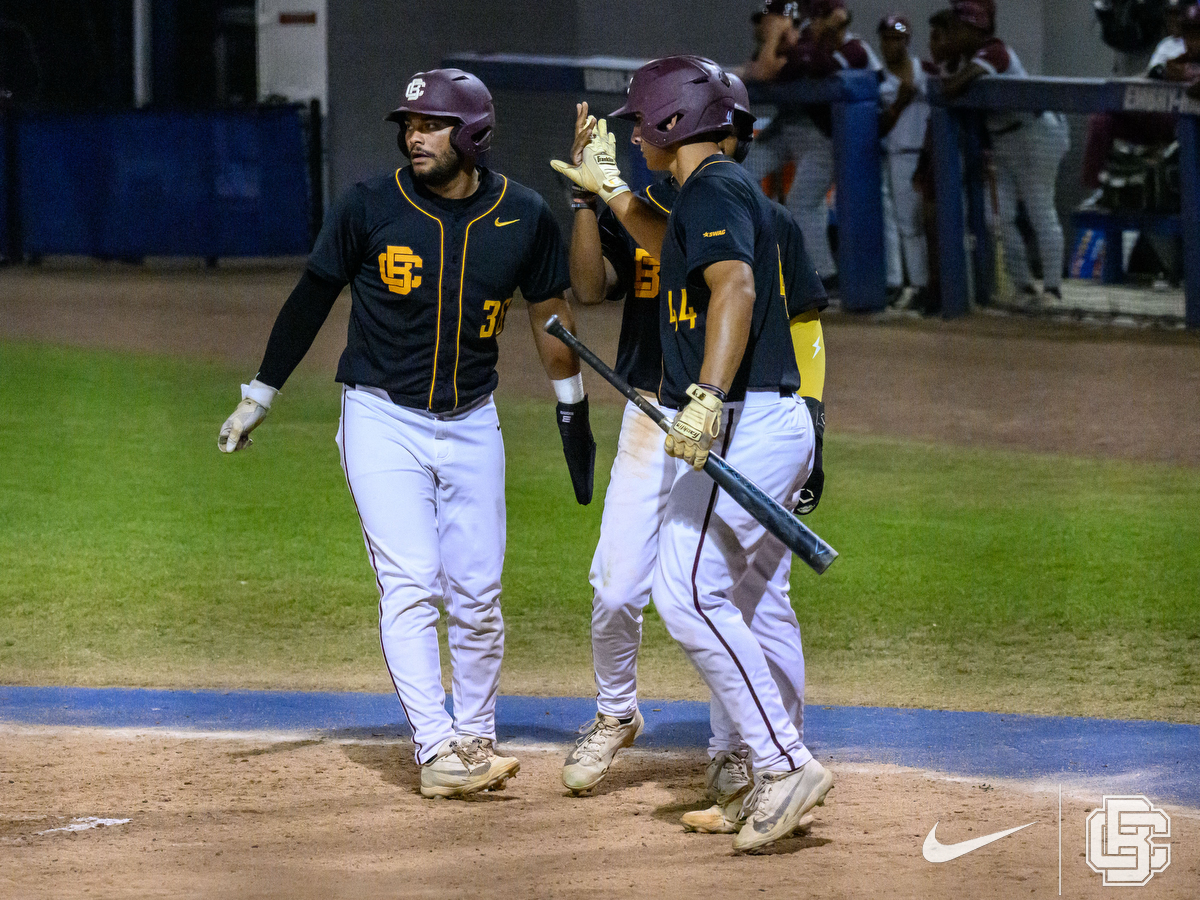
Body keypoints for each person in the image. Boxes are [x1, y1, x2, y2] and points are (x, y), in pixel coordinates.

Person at [216, 68, 593, 800]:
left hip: (473, 419)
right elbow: (311, 298)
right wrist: (258, 395)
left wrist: (571, 409)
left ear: (473, 134)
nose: (415, 137)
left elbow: (551, 316)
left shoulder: (523, 214)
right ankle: (436, 747)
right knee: (412, 583)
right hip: (381, 418)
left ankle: (474, 734)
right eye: (409, 126)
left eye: (431, 125)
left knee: (478, 594)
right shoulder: (368, 205)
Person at [552, 55, 833, 853]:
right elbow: (665, 242)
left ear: (672, 122)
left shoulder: (712, 188)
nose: (633, 134)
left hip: (749, 415)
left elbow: (734, 288)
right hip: (761, 418)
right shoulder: (714, 191)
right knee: (717, 596)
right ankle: (762, 767)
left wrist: (705, 397)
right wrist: (610, 191)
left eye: (641, 122)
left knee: (689, 594)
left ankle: (781, 763)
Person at [743, 0, 882, 290]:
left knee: (804, 203)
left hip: (827, 138)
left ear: (787, 21)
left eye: (768, 19)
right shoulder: (783, 46)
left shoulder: (811, 46)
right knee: (742, 171)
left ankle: (826, 276)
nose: (761, 25)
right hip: (789, 129)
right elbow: (755, 70)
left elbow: (765, 71)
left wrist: (775, 37)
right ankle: (764, 254)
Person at [943, 0, 1069, 303]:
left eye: (958, 29)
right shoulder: (969, 57)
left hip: (1035, 133)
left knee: (1040, 210)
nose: (952, 35)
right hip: (1003, 141)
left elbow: (951, 88)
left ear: (975, 29)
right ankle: (1023, 286)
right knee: (995, 217)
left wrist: (952, 64)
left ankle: (1052, 289)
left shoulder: (994, 51)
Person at [877, 14, 934, 308]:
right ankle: (919, 286)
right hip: (899, 156)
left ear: (907, 40)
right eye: (888, 39)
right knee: (909, 226)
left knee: (934, 224)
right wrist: (899, 103)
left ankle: (936, 287)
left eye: (898, 38)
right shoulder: (877, 79)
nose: (892, 44)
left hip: (931, 155)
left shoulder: (926, 70)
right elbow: (878, 127)